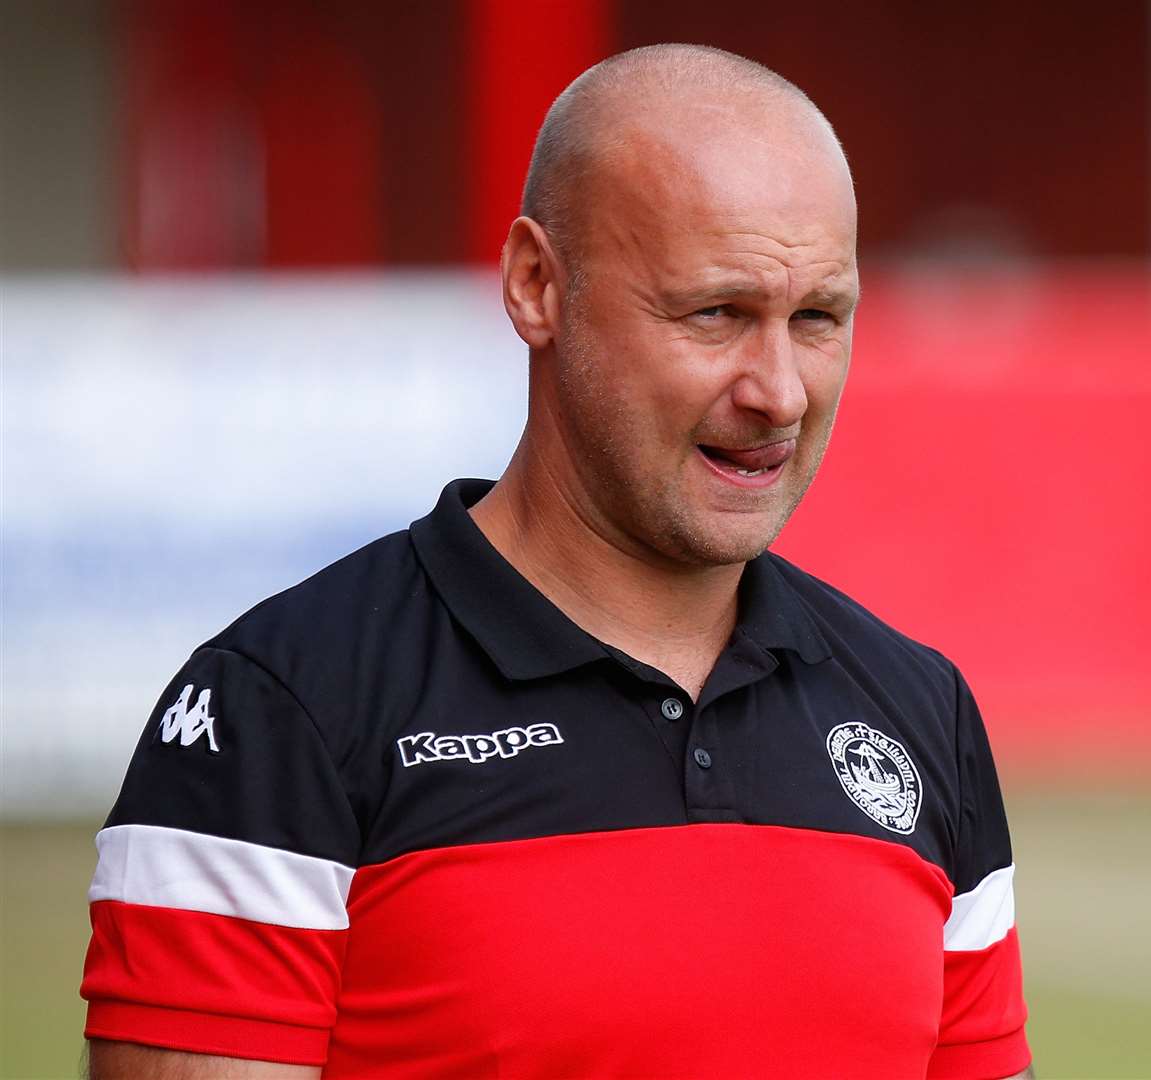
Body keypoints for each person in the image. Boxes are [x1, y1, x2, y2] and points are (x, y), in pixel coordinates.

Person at [82, 44, 1033, 1079]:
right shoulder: (281, 708)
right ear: (537, 285)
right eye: (714, 313)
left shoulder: (915, 707)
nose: (779, 392)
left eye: (816, 319)